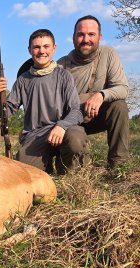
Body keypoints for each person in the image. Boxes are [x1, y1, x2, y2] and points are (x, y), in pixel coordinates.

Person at [17, 16, 130, 169]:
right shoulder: (61, 66)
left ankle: (118, 164)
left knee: (119, 106)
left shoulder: (109, 54)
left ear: (100, 37)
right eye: (81, 34)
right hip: (68, 122)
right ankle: (62, 157)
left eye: (91, 34)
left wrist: (101, 95)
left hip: (94, 116)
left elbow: (123, 88)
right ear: (73, 37)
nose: (86, 39)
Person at [0, 29, 88, 175]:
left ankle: (68, 173)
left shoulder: (64, 76)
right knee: (23, 173)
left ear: (54, 48)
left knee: (75, 138)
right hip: (35, 136)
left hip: (63, 131)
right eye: (36, 47)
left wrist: (61, 126)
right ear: (29, 50)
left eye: (46, 46)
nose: (41, 51)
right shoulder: (22, 80)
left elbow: (76, 111)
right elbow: (6, 112)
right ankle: (45, 167)